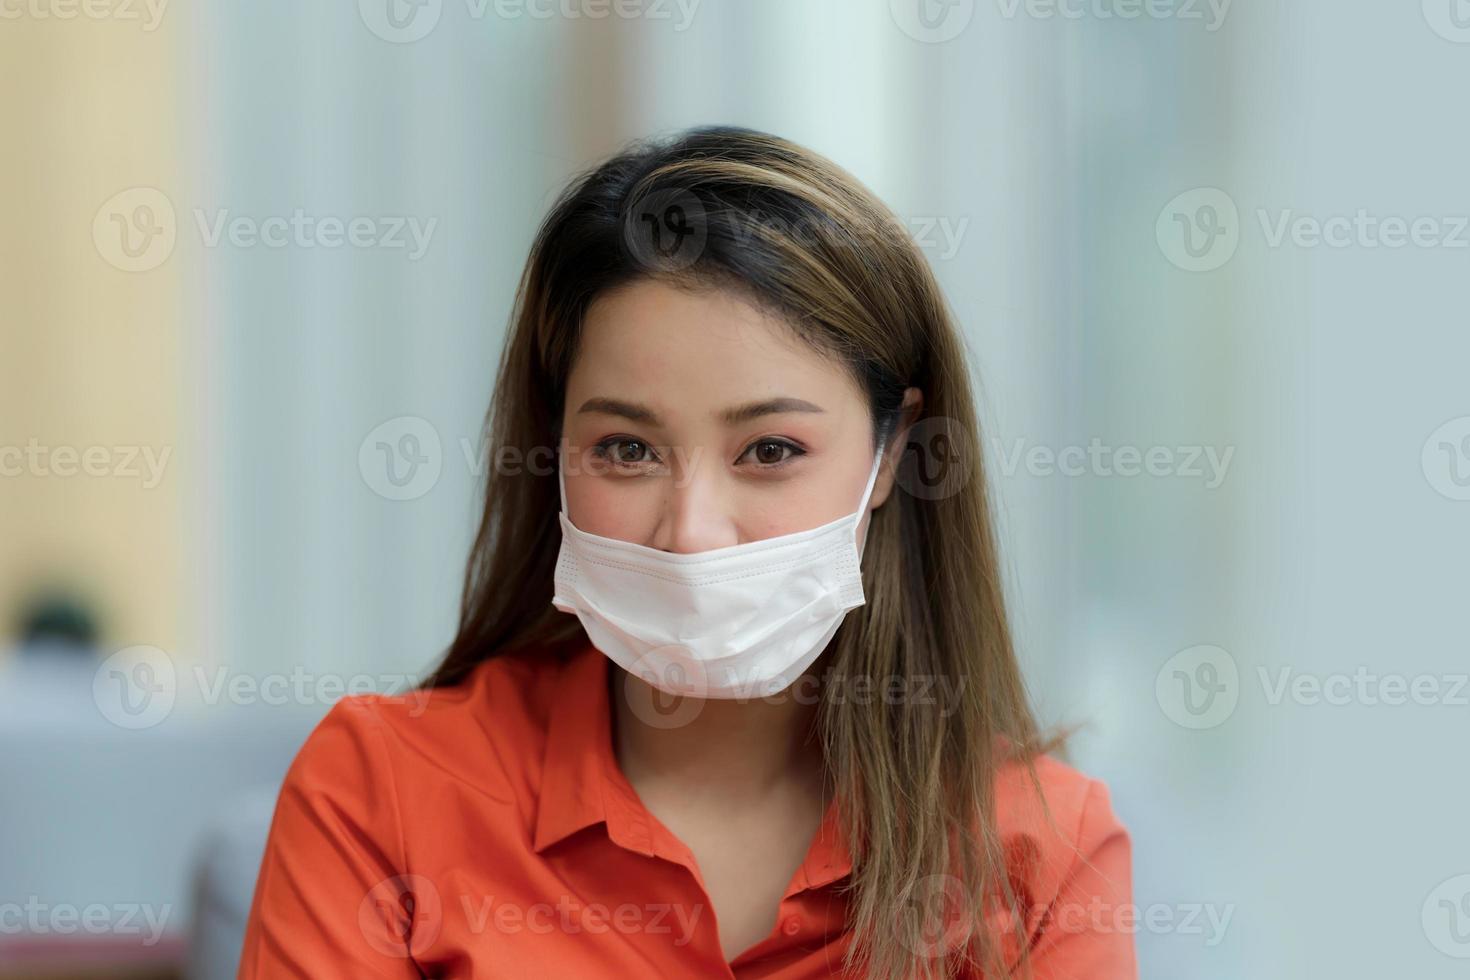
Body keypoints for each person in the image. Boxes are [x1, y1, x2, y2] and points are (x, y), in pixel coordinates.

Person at [237, 126, 1135, 979]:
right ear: (554, 446)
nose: (692, 532)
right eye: (628, 450)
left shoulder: (1043, 853)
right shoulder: (381, 790)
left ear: (892, 452)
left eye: (771, 451)